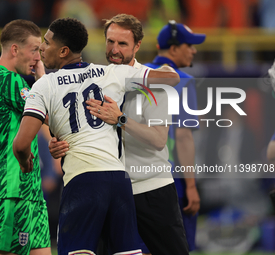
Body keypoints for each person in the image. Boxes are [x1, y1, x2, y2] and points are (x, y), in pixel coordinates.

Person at [13, 17, 180, 255]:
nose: (41, 47)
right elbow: (171, 79)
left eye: (46, 43)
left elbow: (21, 144)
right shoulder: (109, 73)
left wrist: (25, 161)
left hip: (83, 180)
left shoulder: (44, 86)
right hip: (119, 182)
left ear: (63, 50)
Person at [0, 20, 51, 255]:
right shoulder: (10, 81)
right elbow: (50, 115)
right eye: (34, 50)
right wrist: (42, 78)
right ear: (15, 50)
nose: (38, 57)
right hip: (12, 190)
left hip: (24, 190)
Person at [144, 20, 205, 251]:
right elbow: (183, 137)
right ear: (173, 48)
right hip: (172, 181)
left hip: (135, 180)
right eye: (189, 45)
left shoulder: (138, 75)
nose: (194, 50)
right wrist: (190, 186)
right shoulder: (184, 82)